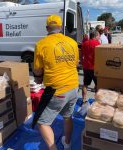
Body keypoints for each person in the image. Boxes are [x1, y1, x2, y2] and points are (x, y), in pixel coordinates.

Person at [33, 14, 79, 150]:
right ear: (60, 27)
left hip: (57, 90)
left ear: (47, 28)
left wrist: (38, 78)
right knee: (67, 116)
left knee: (42, 123)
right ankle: (68, 144)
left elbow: (37, 69)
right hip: (74, 86)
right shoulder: (72, 42)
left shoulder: (41, 44)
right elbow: (75, 63)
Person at [81, 30, 101, 102]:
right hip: (95, 67)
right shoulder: (97, 44)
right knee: (98, 85)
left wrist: (82, 63)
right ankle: (96, 100)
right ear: (96, 35)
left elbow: (81, 55)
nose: (99, 37)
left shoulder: (84, 43)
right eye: (99, 35)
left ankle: (83, 99)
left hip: (86, 67)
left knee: (85, 84)